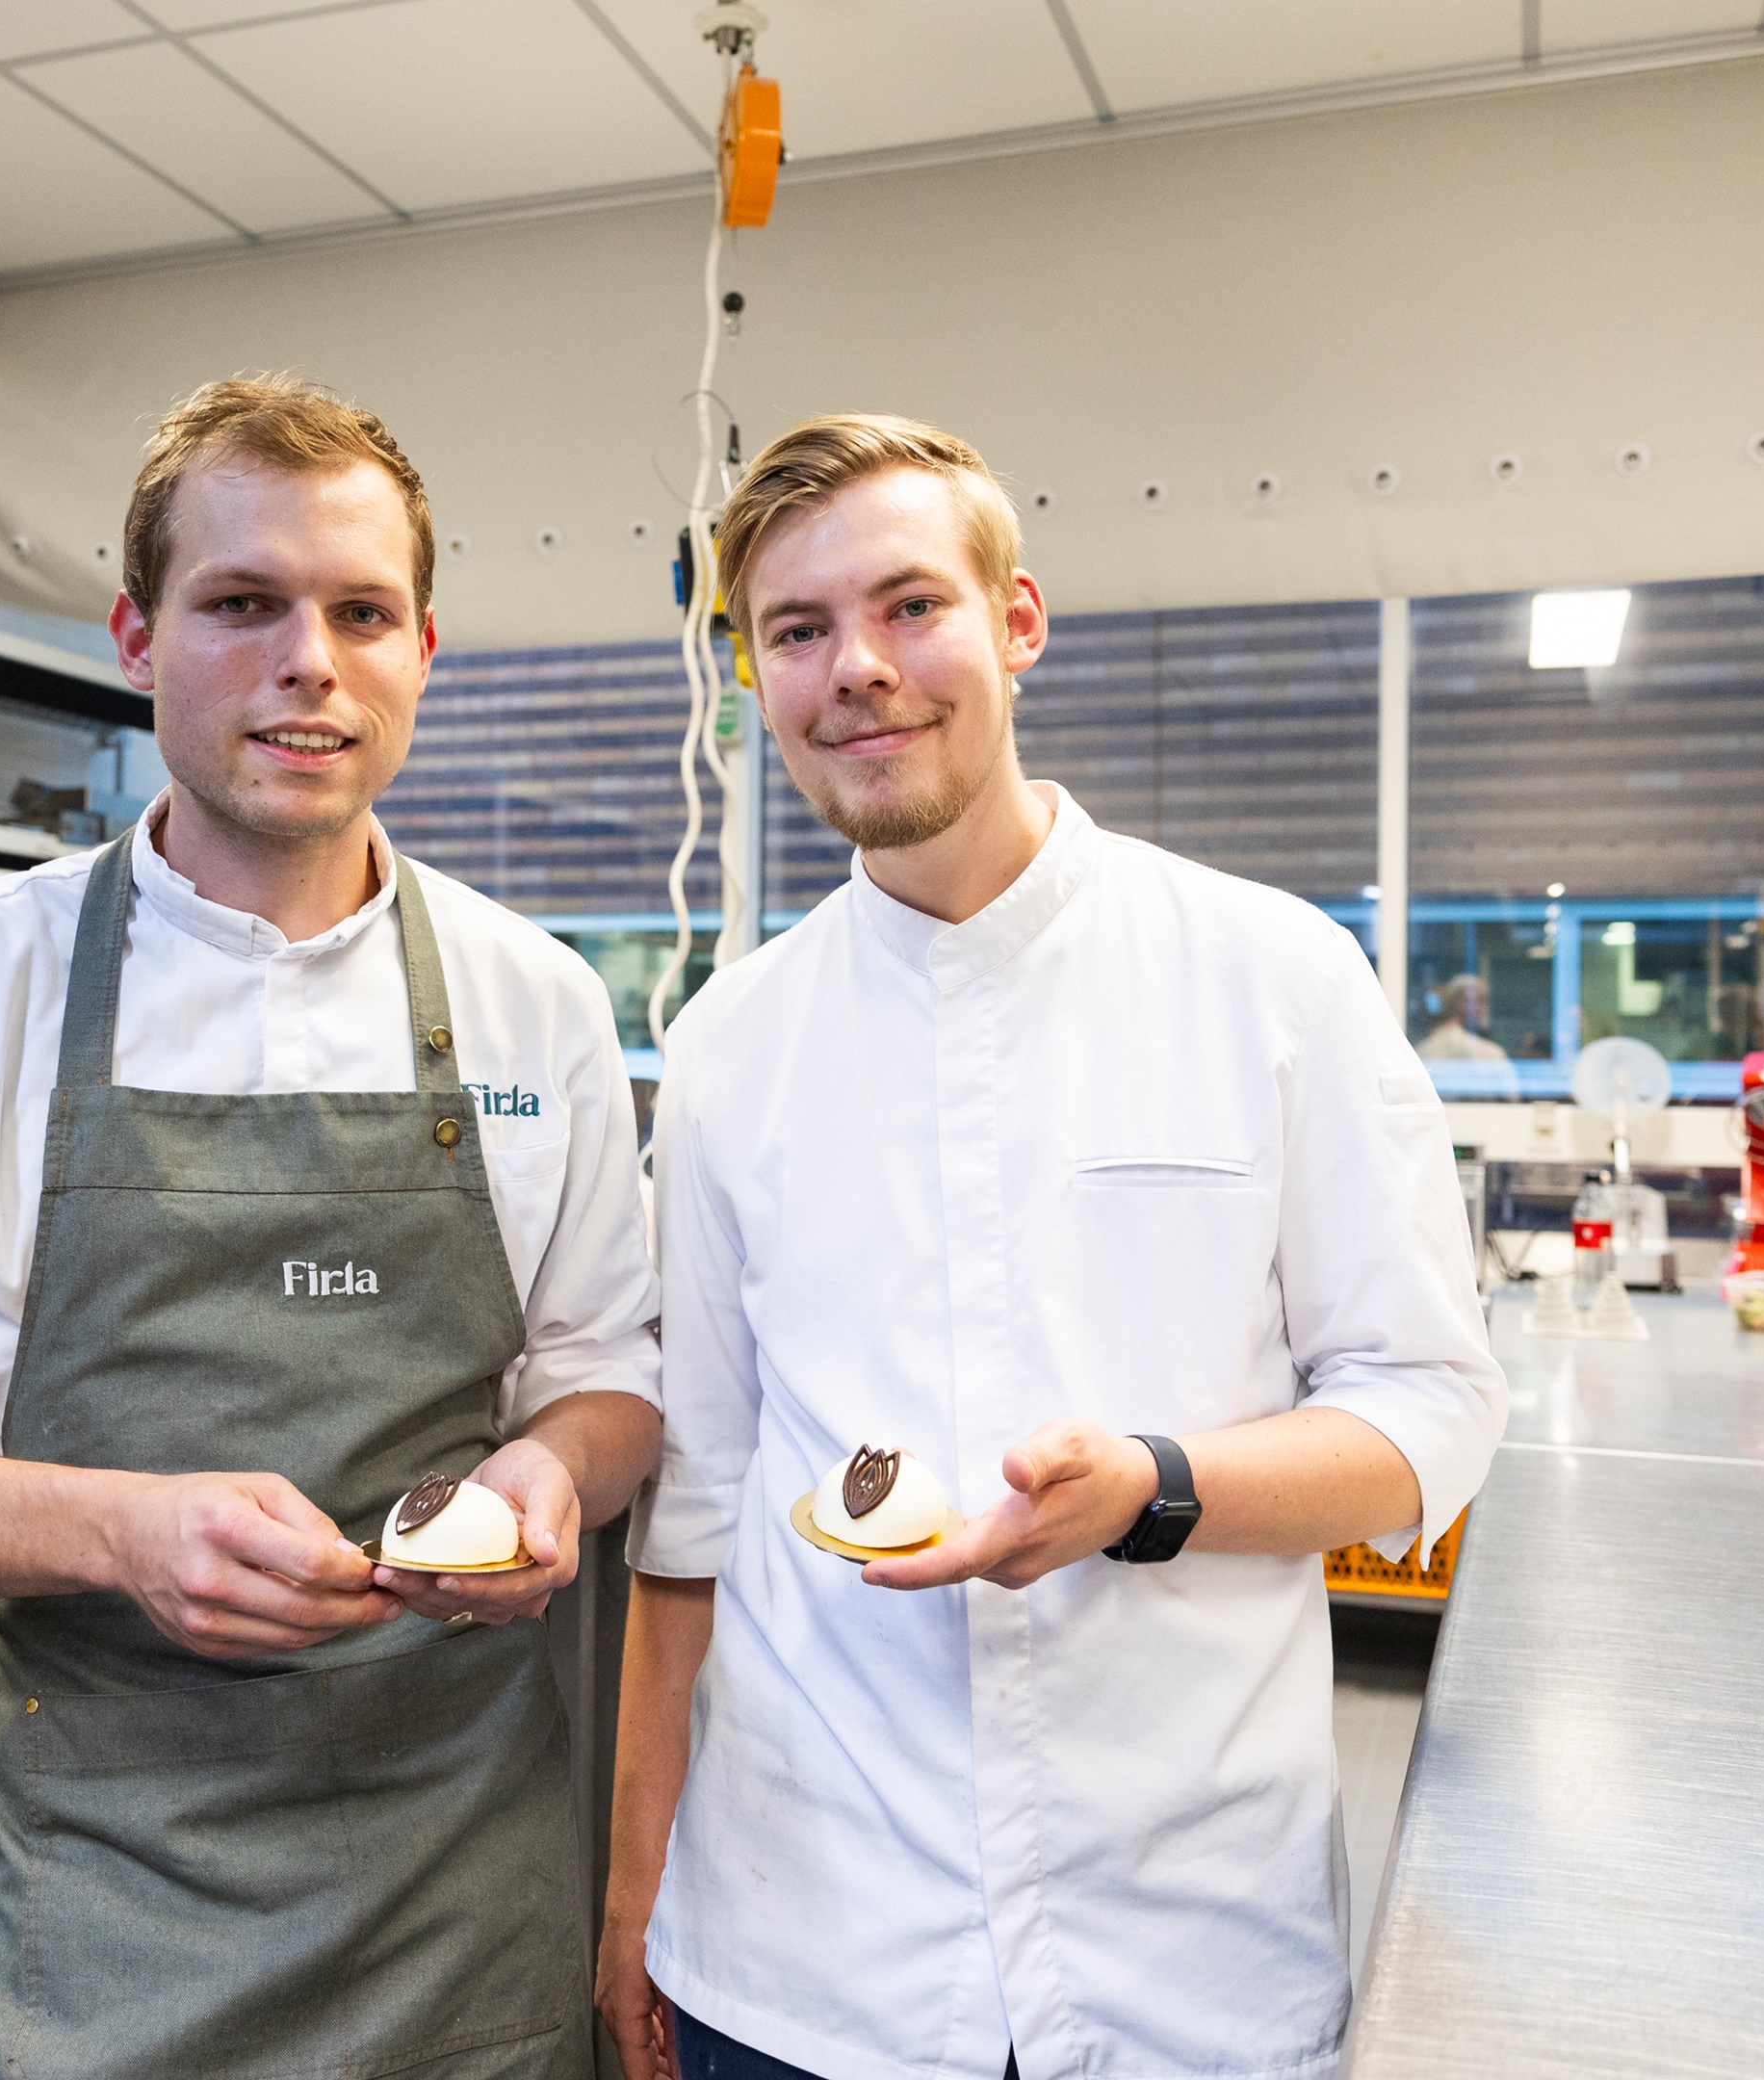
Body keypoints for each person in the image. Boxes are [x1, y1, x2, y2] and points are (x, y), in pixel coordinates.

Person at [0, 377, 662, 2080]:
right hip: (106, 1931)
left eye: (363, 611)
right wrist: (117, 1533)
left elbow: (608, 1375)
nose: (312, 659)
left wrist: (555, 1475)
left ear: (423, 647)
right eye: (243, 605)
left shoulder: (538, 1007)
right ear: (137, 634)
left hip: (460, 1922)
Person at [597, 416, 1507, 2080]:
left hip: (1185, 1957)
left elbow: (1431, 1416)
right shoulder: (733, 1043)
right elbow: (704, 1502)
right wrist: (632, 1883)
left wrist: (1154, 1486)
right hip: (805, 1962)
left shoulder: (1272, 977)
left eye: (909, 606)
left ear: (1018, 621)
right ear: (755, 681)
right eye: (796, 633)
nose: (857, 669)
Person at [1414, 972, 1507, 1060]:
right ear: (1453, 1004)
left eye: (1482, 1001)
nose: (1479, 1009)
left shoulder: (1420, 1051)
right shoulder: (1491, 1054)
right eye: (1470, 1001)